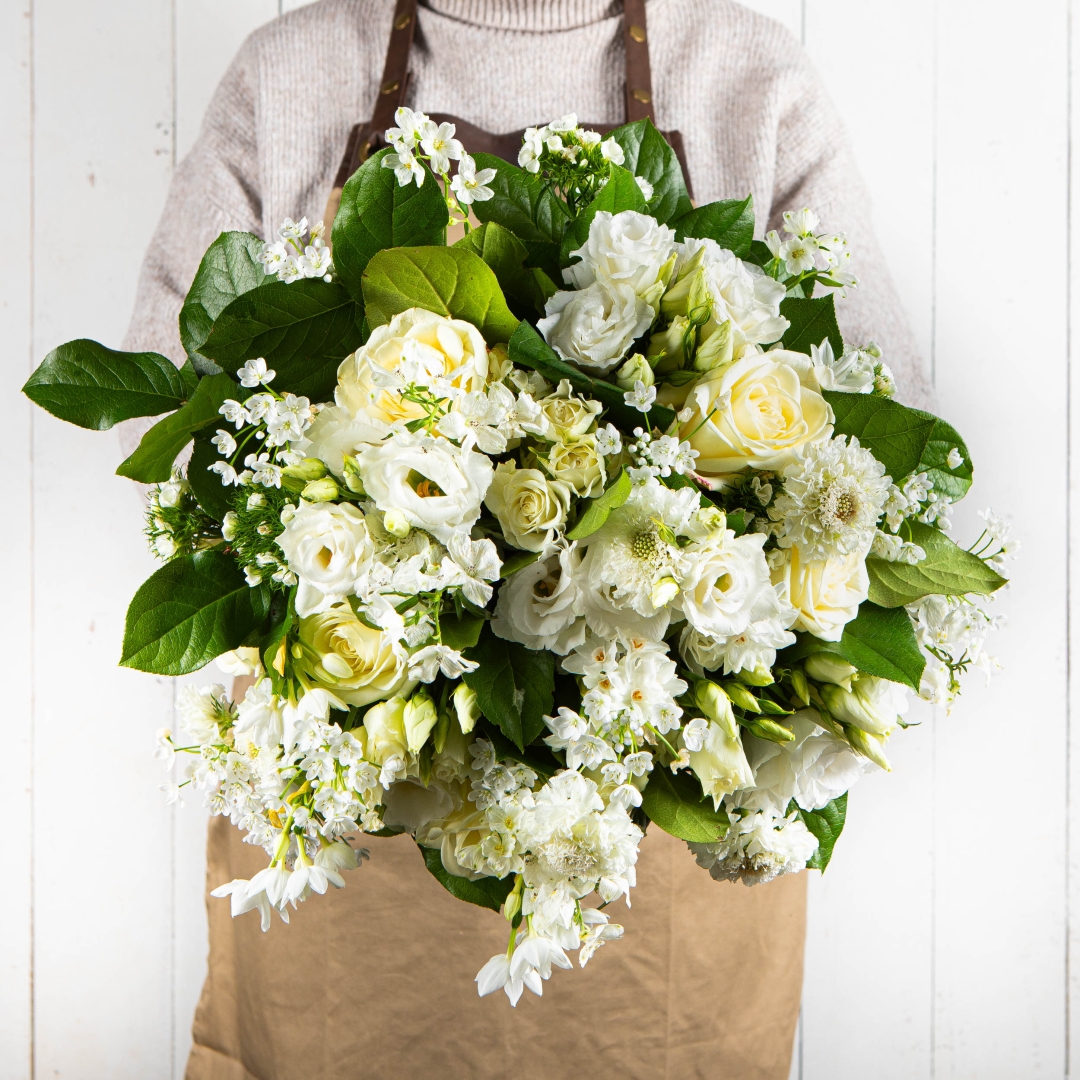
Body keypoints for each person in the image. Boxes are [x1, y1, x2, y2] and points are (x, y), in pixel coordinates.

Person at [122, 2, 932, 1078]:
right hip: (358, 815)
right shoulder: (293, 72)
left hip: (653, 845)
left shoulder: (745, 76)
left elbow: (886, 430)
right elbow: (163, 420)